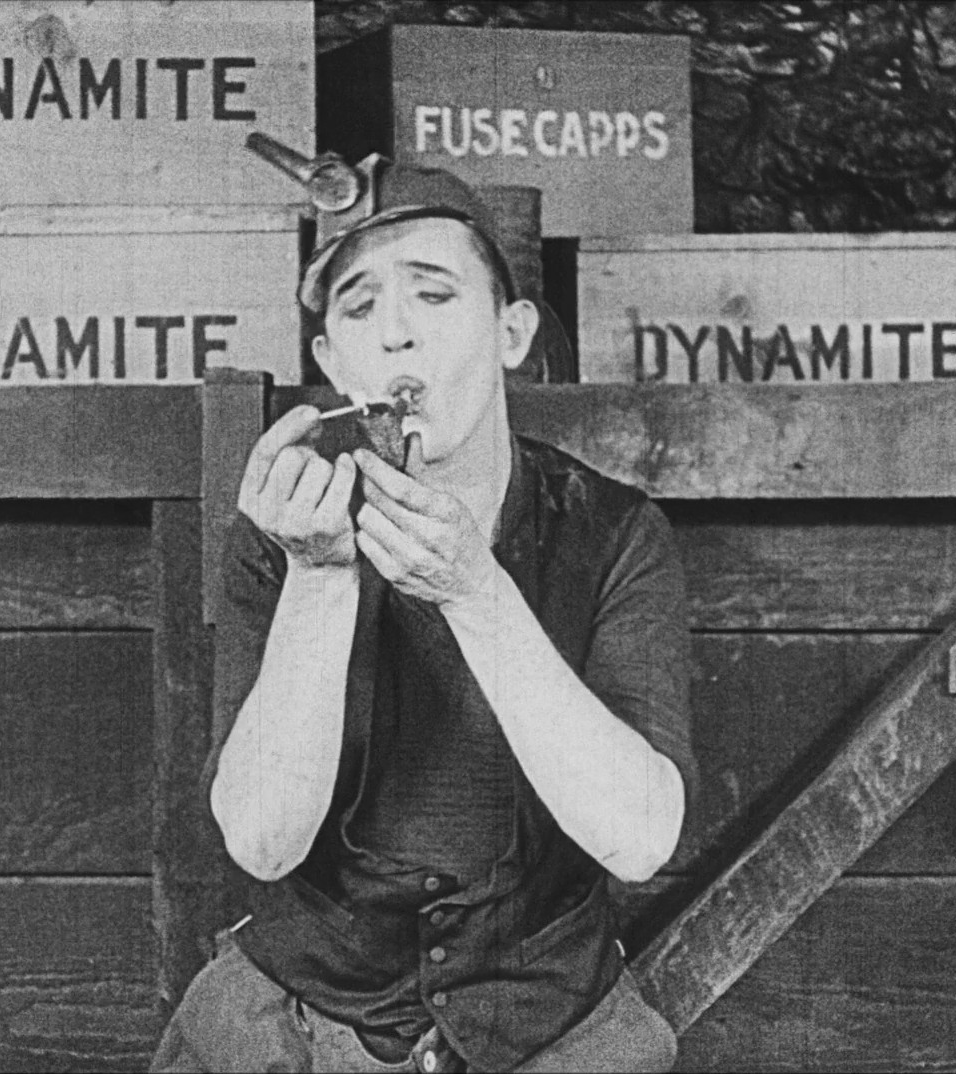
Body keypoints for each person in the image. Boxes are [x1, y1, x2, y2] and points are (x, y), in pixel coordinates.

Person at [151, 153, 698, 1074]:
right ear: (332, 362)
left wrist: (476, 591)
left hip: (548, 1031)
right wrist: (319, 576)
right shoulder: (283, 535)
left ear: (511, 332)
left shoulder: (611, 534)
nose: (396, 334)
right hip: (297, 1024)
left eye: (434, 295)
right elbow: (263, 842)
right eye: (359, 309)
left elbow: (640, 839)